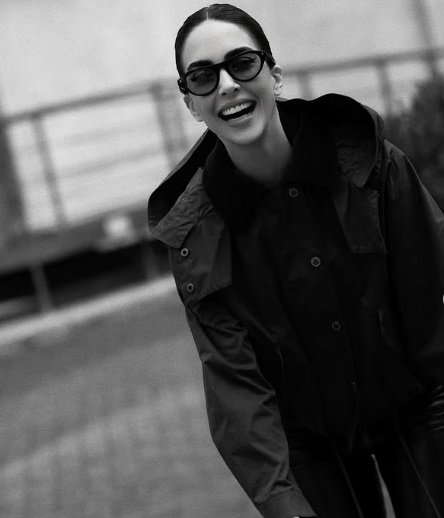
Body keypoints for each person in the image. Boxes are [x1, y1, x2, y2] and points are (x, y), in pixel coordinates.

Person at [148, 4, 444, 518]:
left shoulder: (372, 168)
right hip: (306, 438)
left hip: (417, 403)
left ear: (275, 74)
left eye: (242, 63)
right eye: (202, 76)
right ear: (191, 103)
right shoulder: (195, 236)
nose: (226, 85)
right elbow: (237, 389)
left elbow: (436, 313)